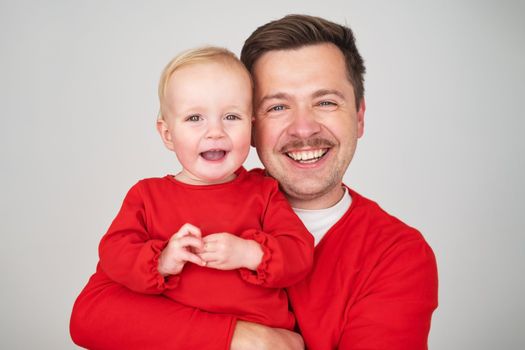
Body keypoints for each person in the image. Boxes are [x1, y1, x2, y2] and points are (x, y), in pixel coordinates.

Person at [70, 14, 438, 350]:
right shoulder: (168, 201)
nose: (304, 127)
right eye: (277, 106)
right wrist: (241, 338)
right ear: (254, 125)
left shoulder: (398, 254)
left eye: (325, 102)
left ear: (358, 117)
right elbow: (91, 315)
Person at [93, 46, 314, 332]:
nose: (215, 132)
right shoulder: (147, 196)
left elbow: (299, 253)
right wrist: (161, 261)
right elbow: (113, 252)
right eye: (195, 118)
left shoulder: (264, 192)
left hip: (263, 332)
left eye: (231, 117)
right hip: (185, 337)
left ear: (252, 126)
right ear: (168, 134)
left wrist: (250, 253)